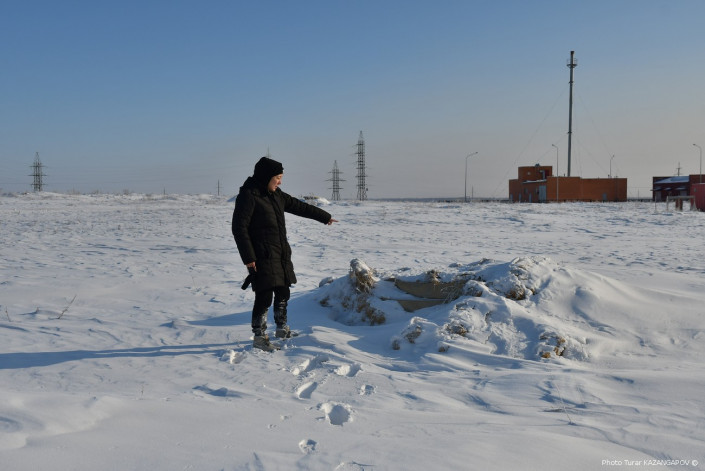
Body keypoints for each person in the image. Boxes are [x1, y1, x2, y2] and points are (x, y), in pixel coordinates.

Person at [232, 156, 338, 351]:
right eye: (277, 178)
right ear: (266, 177)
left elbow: (299, 206)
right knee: (264, 296)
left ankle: (281, 328)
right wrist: (249, 257)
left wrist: (324, 217)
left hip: (280, 253)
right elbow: (239, 228)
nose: (280, 182)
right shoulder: (249, 196)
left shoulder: (276, 195)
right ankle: (259, 336)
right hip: (261, 255)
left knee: (283, 292)